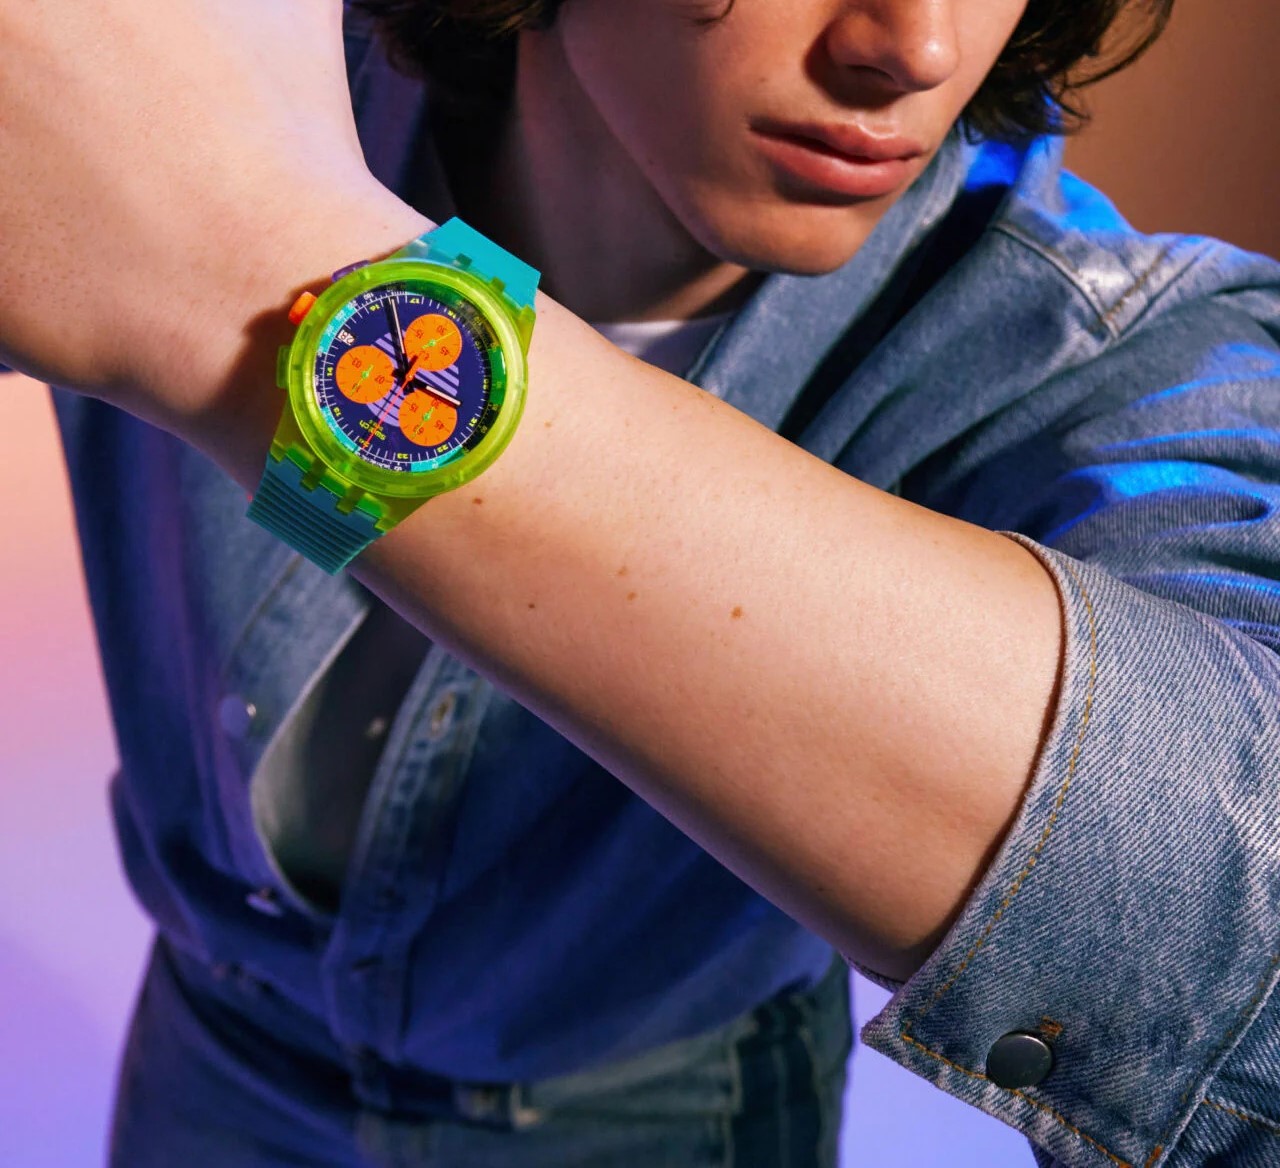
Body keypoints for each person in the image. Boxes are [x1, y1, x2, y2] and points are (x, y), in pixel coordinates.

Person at [2, 0, 1278, 1166]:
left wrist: (255, 262)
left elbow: (1244, 910)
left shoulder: (1089, 339)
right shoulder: (185, 77)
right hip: (217, 1045)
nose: (914, 48)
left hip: (659, 1120)